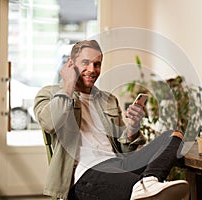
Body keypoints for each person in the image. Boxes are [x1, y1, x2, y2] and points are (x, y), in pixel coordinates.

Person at [34, 40, 189, 200]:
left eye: (97, 64)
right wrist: (68, 85)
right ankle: (144, 187)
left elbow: (124, 149)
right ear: (71, 64)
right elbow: (50, 123)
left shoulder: (107, 100)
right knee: (142, 190)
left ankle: (149, 181)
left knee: (174, 136)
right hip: (86, 174)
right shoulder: (49, 94)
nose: (92, 70)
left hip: (118, 164)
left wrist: (133, 127)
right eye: (85, 63)